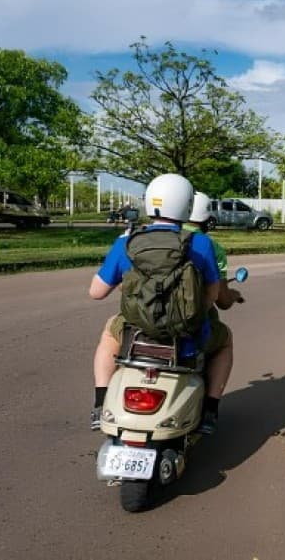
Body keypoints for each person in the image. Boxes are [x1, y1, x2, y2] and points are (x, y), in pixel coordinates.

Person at [87, 174, 223, 433]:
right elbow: (213, 295)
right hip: (187, 341)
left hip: (136, 337)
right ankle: (210, 410)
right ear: (187, 205)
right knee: (224, 340)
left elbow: (96, 292)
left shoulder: (126, 242)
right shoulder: (201, 244)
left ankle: (99, 404)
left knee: (108, 333)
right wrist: (191, 316)